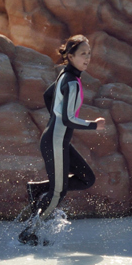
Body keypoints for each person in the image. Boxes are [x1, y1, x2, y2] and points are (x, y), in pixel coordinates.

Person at [18, 34, 105, 245]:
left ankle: (38, 189)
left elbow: (48, 96)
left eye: (89, 54)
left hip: (58, 139)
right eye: (83, 54)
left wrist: (54, 120)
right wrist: (94, 125)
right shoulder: (72, 82)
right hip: (56, 141)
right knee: (58, 191)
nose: (87, 58)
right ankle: (30, 232)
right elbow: (68, 118)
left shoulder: (65, 75)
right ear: (71, 56)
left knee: (87, 179)